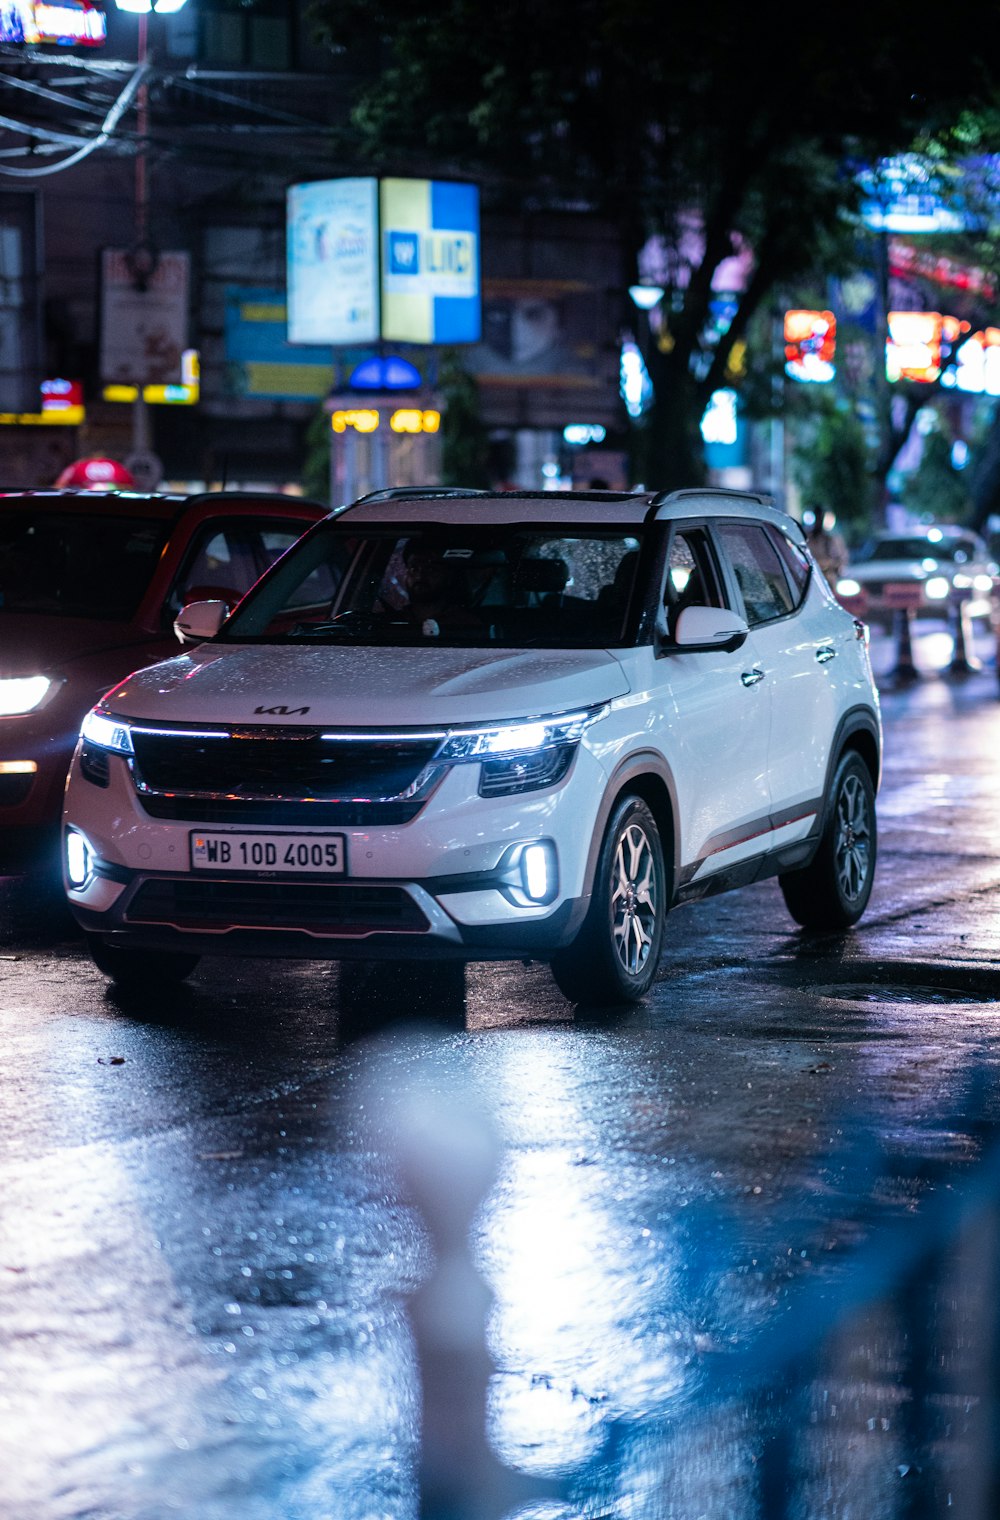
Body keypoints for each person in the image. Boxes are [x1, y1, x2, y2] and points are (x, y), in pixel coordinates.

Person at [806, 509, 848, 590]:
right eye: (817, 518)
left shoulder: (833, 539)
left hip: (830, 578)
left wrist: (829, 565)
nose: (818, 522)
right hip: (813, 580)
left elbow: (841, 559)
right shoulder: (808, 539)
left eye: (820, 518)